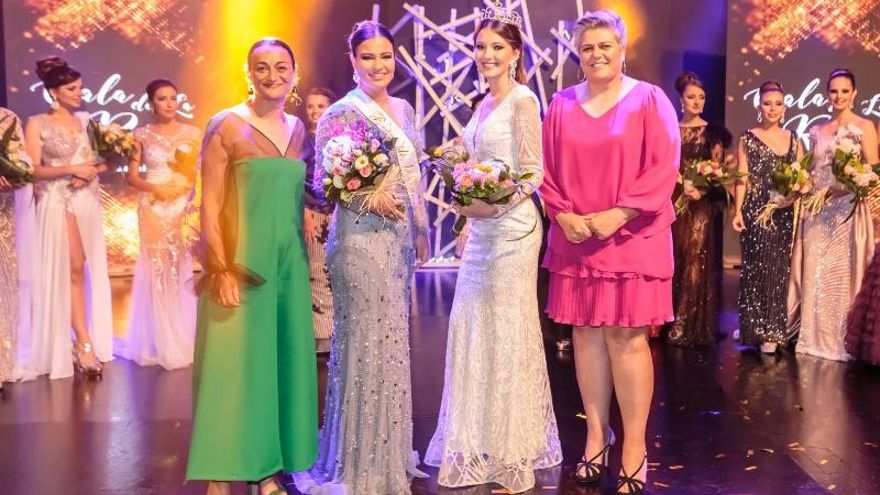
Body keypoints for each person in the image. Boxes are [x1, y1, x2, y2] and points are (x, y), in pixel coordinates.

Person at [539, 10, 679, 494]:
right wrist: (563, 216)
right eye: (587, 48)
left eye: (605, 46)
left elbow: (664, 166)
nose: (596, 55)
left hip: (632, 234)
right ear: (577, 55)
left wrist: (620, 213)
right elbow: (545, 171)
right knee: (585, 336)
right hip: (577, 237)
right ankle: (596, 438)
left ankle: (635, 447)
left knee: (626, 338)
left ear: (622, 50)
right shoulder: (560, 104)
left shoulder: (650, 99)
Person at [424, 5, 562, 493]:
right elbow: (476, 167)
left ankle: (512, 451)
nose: (487, 54)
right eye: (481, 46)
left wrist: (494, 205)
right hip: (482, 231)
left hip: (514, 232)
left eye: (497, 47)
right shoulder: (483, 102)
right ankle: (478, 438)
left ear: (515, 53)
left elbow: (533, 173)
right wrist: (468, 213)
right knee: (473, 328)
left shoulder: (524, 101)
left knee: (506, 331)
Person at [296, 20, 430, 495]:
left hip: (397, 241)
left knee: (391, 345)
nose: (378, 65)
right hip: (358, 241)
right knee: (364, 345)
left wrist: (420, 228)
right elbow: (326, 183)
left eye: (386, 56)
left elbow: (412, 177)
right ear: (352, 61)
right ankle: (358, 459)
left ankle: (387, 452)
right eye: (368, 57)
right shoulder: (340, 113)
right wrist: (368, 197)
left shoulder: (405, 109)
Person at [185, 38, 318, 495]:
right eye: (262, 67)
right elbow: (208, 203)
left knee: (275, 366)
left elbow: (294, 191)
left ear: (295, 74)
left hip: (288, 265)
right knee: (230, 369)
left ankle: (267, 470)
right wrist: (219, 268)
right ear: (249, 73)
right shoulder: (225, 124)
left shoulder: (298, 129)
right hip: (241, 264)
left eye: (281, 67)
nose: (272, 75)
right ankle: (220, 473)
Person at [20, 56, 113, 379]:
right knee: (71, 268)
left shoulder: (86, 121)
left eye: (80, 87)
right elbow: (32, 170)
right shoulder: (37, 123)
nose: (79, 93)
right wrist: (71, 169)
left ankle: (81, 338)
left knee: (81, 269)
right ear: (54, 92)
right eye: (72, 89)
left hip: (86, 200)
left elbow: (105, 162)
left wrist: (88, 174)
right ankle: (81, 341)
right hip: (57, 201)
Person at [788, 68, 878, 361]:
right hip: (817, 209)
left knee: (843, 275)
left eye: (844, 91)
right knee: (816, 271)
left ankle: (840, 341)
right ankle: (813, 338)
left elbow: (872, 170)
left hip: (847, 210)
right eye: (834, 91)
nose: (839, 96)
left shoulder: (865, 126)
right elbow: (814, 171)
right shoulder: (818, 130)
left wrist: (850, 183)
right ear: (827, 94)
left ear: (854, 93)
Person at [119, 78, 200, 370]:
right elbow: (131, 176)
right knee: (156, 267)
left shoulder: (193, 133)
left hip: (181, 204)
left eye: (173, 98)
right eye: (162, 98)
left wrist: (185, 191)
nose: (169, 103)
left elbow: (200, 172)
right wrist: (157, 189)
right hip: (153, 204)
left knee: (178, 265)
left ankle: (181, 334)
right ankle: (159, 340)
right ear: (151, 103)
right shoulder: (140, 134)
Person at [731, 81, 801, 354]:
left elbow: (801, 178)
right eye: (767, 103)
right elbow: (742, 178)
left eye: (778, 104)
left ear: (784, 108)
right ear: (759, 106)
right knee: (755, 268)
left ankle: (771, 329)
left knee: (777, 269)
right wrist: (738, 210)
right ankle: (753, 327)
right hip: (755, 209)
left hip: (782, 211)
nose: (772, 108)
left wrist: (793, 196)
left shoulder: (794, 138)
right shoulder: (748, 137)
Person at [666, 71, 731, 346]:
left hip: (700, 205)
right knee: (674, 258)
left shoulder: (713, 133)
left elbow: (717, 170)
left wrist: (700, 189)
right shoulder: (670, 129)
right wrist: (680, 183)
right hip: (673, 202)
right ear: (681, 100)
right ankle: (667, 318)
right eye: (691, 97)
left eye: (701, 97)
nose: (697, 102)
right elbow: (663, 164)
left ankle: (686, 321)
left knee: (695, 258)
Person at [0, 108, 35, 392]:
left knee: (2, 285)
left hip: (2, 214)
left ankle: (2, 362)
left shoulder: (8, 118)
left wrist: (15, 174)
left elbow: (23, 161)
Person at [303, 87, 338, 354]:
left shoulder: (340, 140)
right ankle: (321, 335)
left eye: (321, 106)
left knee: (334, 272)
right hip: (312, 212)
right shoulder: (301, 141)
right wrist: (305, 211)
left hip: (338, 214)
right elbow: (297, 181)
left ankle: (334, 332)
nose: (315, 112)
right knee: (317, 271)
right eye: (310, 106)